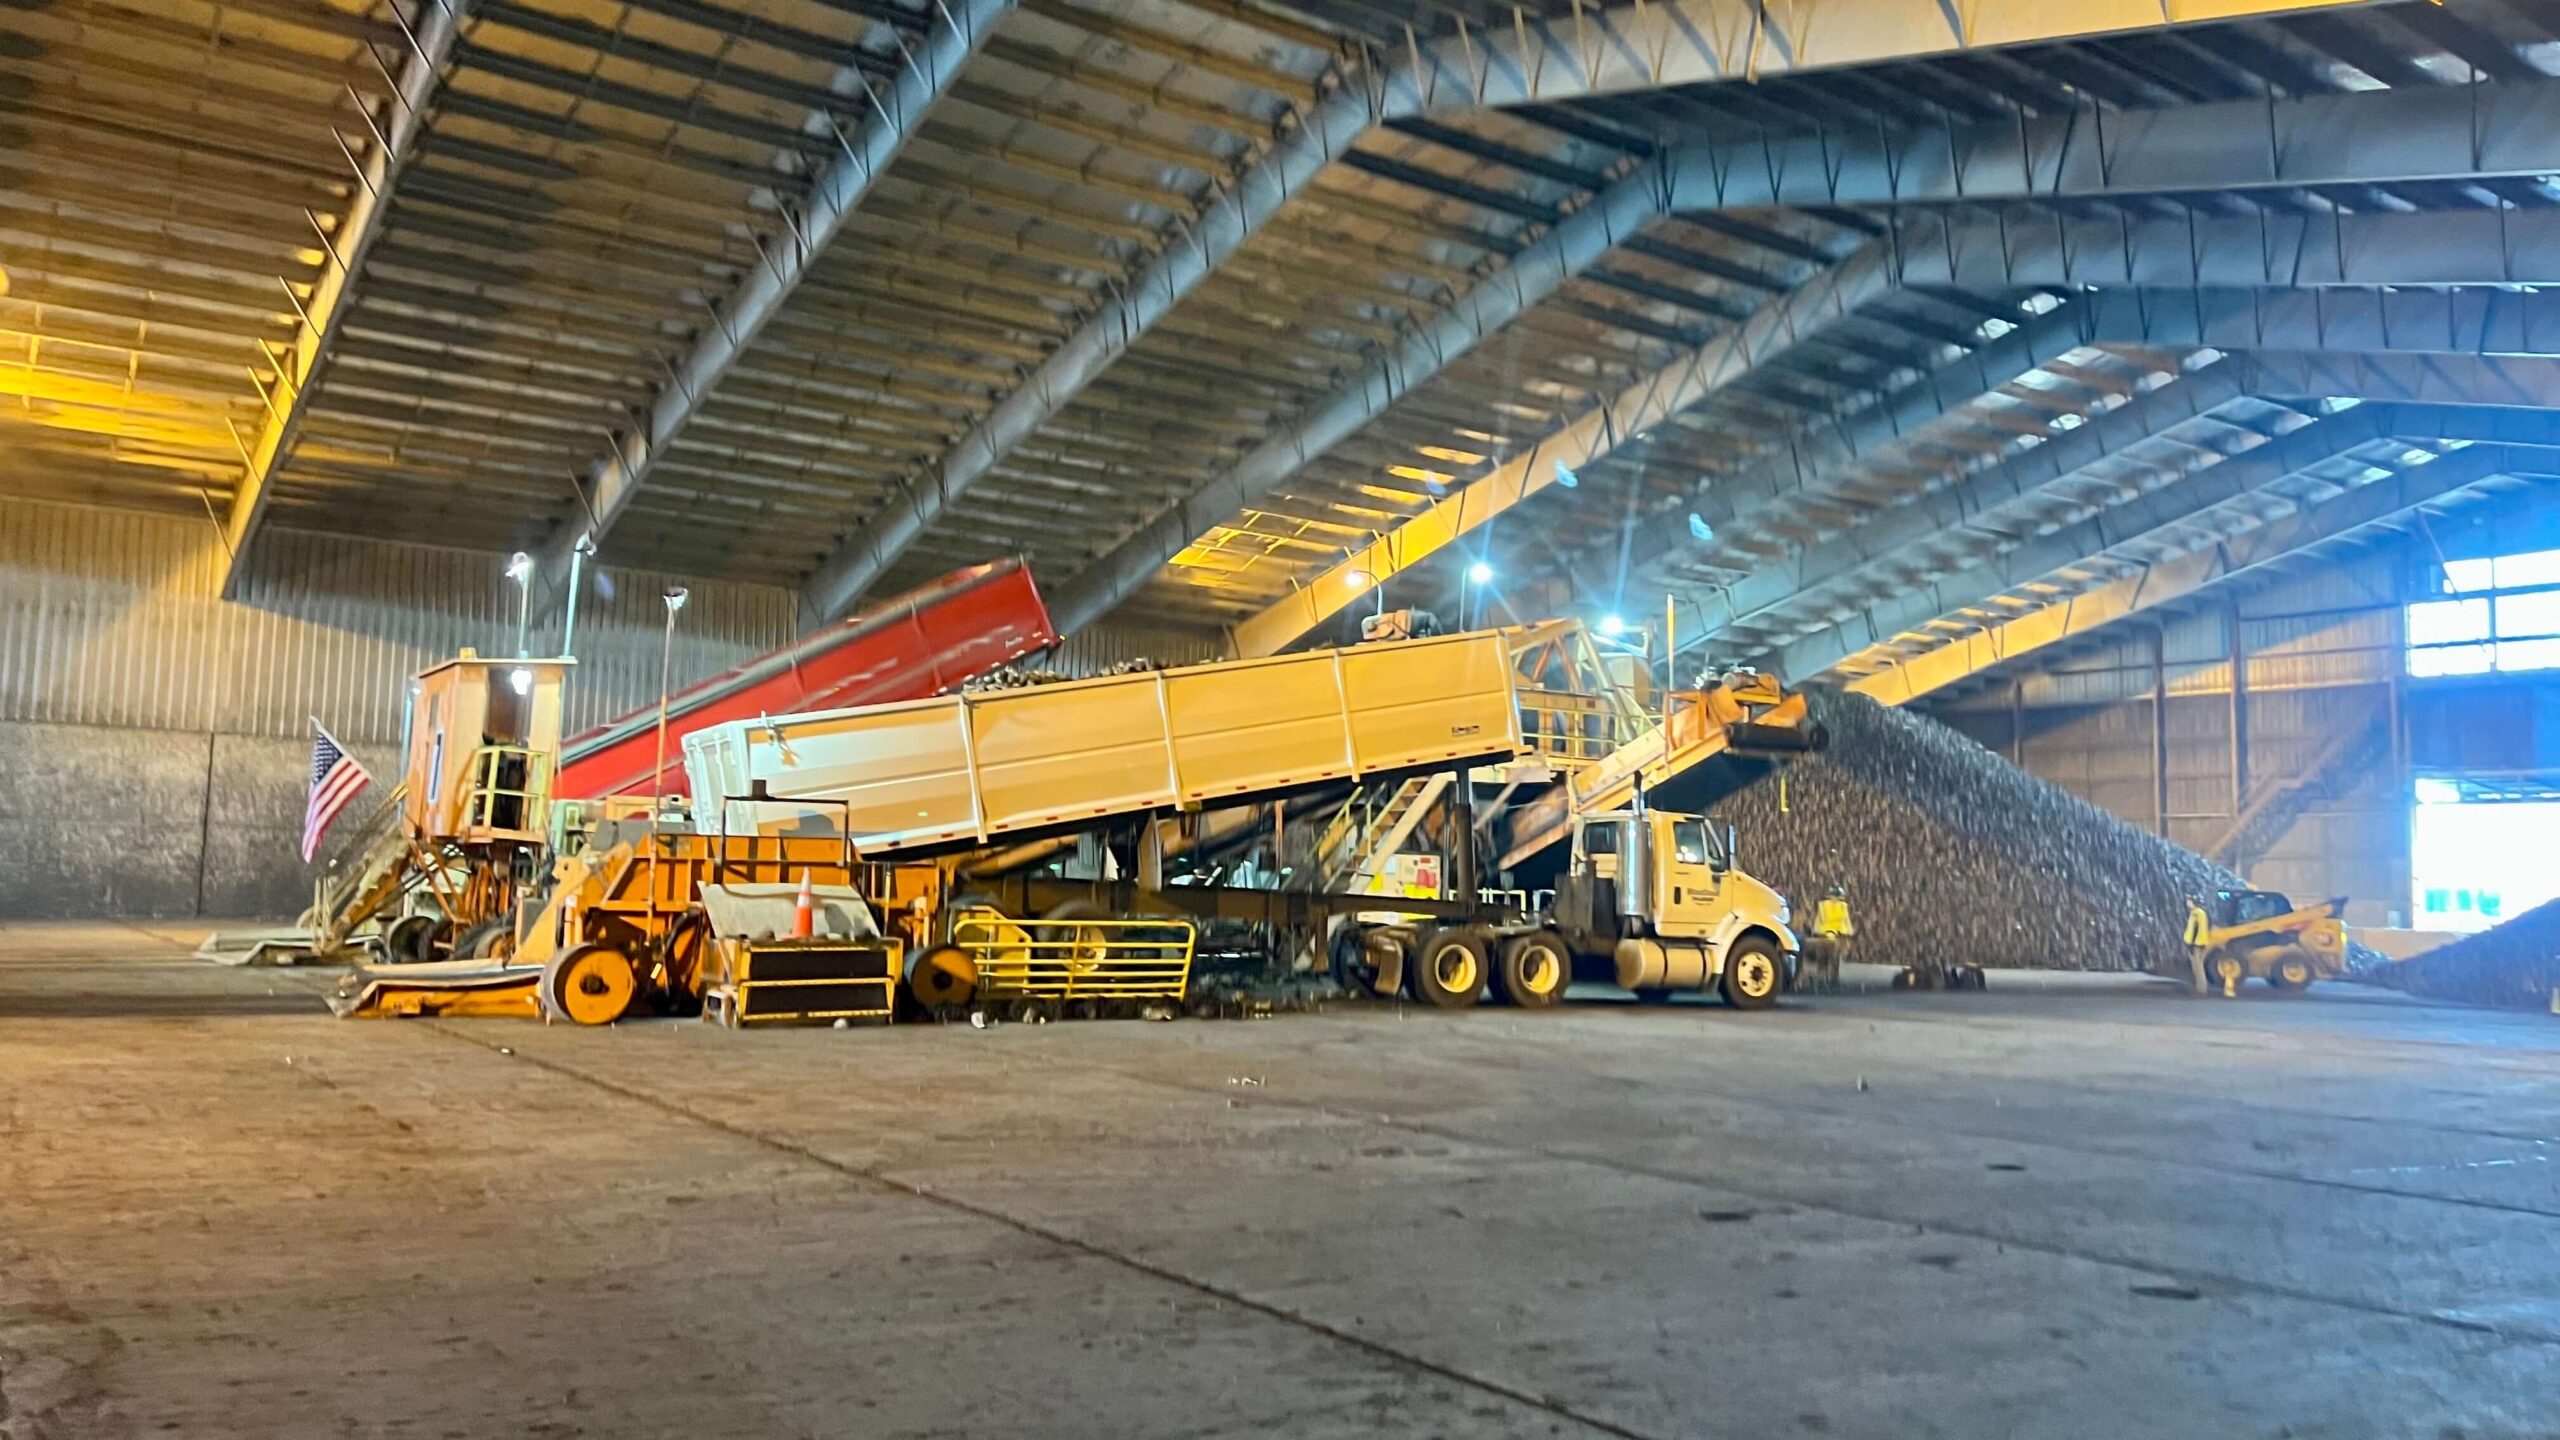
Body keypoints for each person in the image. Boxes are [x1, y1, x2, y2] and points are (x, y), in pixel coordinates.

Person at [1802, 884, 1853, 991]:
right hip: (1826, 935)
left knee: (1831, 959)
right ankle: (1825, 979)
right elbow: (1820, 920)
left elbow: (1845, 921)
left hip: (1833, 935)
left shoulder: (1841, 906)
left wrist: (1848, 932)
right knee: (1826, 958)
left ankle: (1830, 979)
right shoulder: (1826, 906)